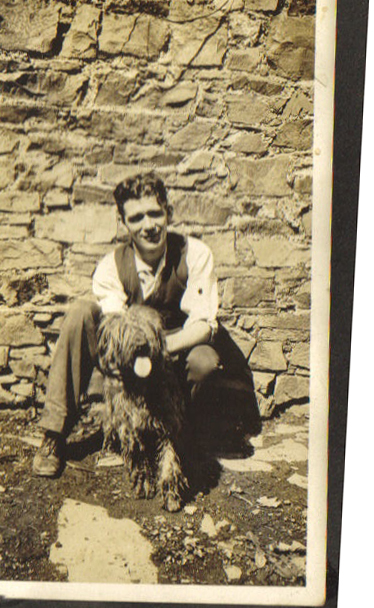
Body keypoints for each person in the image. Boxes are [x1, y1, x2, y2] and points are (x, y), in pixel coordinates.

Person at [33, 171, 260, 477]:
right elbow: (115, 326)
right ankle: (54, 434)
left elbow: (204, 326)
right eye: (136, 218)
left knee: (205, 362)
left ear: (169, 213)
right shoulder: (111, 267)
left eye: (155, 213)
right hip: (131, 351)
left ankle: (186, 435)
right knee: (80, 312)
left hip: (177, 349)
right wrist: (135, 354)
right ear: (123, 223)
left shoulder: (195, 254)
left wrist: (159, 347)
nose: (148, 226)